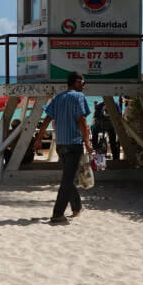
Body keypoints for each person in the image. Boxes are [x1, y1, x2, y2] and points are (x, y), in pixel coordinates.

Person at [36, 72, 92, 224]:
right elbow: (82, 119)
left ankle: (76, 208)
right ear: (75, 82)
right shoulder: (78, 97)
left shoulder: (58, 97)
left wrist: (39, 138)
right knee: (68, 180)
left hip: (60, 144)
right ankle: (57, 214)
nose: (84, 85)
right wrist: (87, 141)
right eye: (82, 82)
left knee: (69, 177)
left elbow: (47, 118)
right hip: (73, 144)